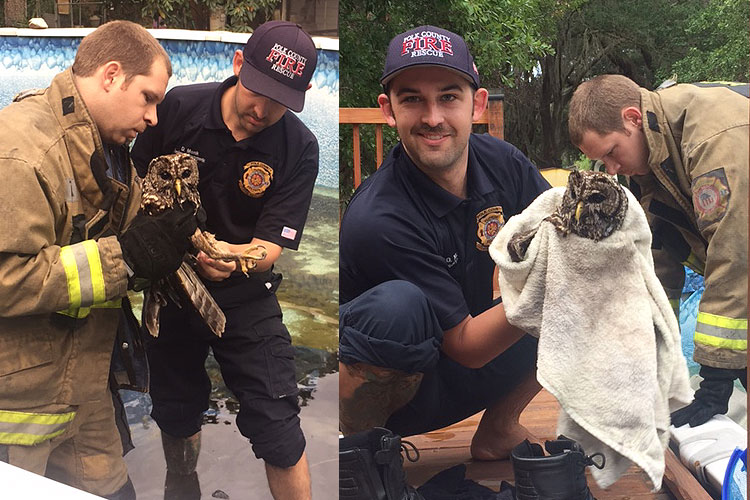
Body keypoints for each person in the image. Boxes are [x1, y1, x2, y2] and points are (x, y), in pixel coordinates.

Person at [338, 24, 551, 495]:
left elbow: (561, 229)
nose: (433, 117)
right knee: (398, 308)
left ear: (476, 105)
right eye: (412, 98)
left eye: (449, 97)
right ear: (387, 110)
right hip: (394, 392)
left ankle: (499, 429)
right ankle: (358, 459)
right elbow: (468, 346)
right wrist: (555, 284)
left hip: (459, 364)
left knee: (587, 278)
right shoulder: (380, 218)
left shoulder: (504, 163)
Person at [0, 20, 197, 499]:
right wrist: (125, 258)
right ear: (111, 75)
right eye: (148, 98)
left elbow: (125, 239)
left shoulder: (105, 149)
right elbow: (7, 277)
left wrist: (177, 238)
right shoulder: (23, 153)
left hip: (82, 391)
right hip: (19, 411)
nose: (154, 118)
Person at [131, 20, 319, 500]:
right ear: (238, 65)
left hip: (244, 294)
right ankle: (181, 483)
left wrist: (233, 259)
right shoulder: (176, 109)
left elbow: (270, 246)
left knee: (278, 423)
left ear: (302, 94)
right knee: (175, 408)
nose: (262, 108)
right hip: (171, 288)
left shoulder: (298, 147)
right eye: (257, 90)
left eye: (280, 99)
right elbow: (130, 190)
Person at [568, 75, 748, 427]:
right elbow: (657, 266)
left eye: (611, 153)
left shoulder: (714, 139)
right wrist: (647, 359)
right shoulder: (653, 160)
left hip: (741, 257)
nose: (612, 170)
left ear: (633, 118)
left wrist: (714, 379)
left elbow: (735, 257)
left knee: (728, 358)